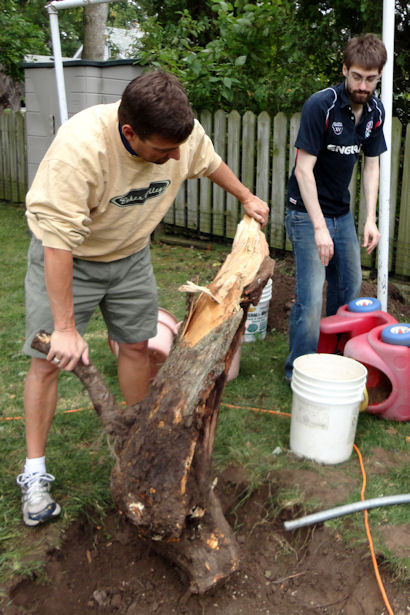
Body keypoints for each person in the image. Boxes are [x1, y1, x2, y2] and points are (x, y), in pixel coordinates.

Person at [17, 70, 269, 526]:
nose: (176, 157)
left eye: (178, 147)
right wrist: (68, 328)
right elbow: (57, 244)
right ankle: (34, 474)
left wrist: (246, 196)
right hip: (70, 256)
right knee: (47, 363)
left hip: (131, 255)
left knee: (136, 344)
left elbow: (208, 161)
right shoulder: (81, 150)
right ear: (129, 132)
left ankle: (136, 442)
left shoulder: (180, 136)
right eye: (164, 150)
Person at [284, 33, 387, 382]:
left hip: (341, 213)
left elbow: (371, 165)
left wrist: (370, 219)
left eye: (370, 78)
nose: (362, 85)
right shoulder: (321, 105)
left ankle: (329, 359)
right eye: (356, 76)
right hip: (304, 212)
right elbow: (303, 169)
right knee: (311, 299)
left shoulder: (375, 111)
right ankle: (297, 371)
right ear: (345, 69)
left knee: (348, 287)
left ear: (379, 76)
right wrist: (318, 227)